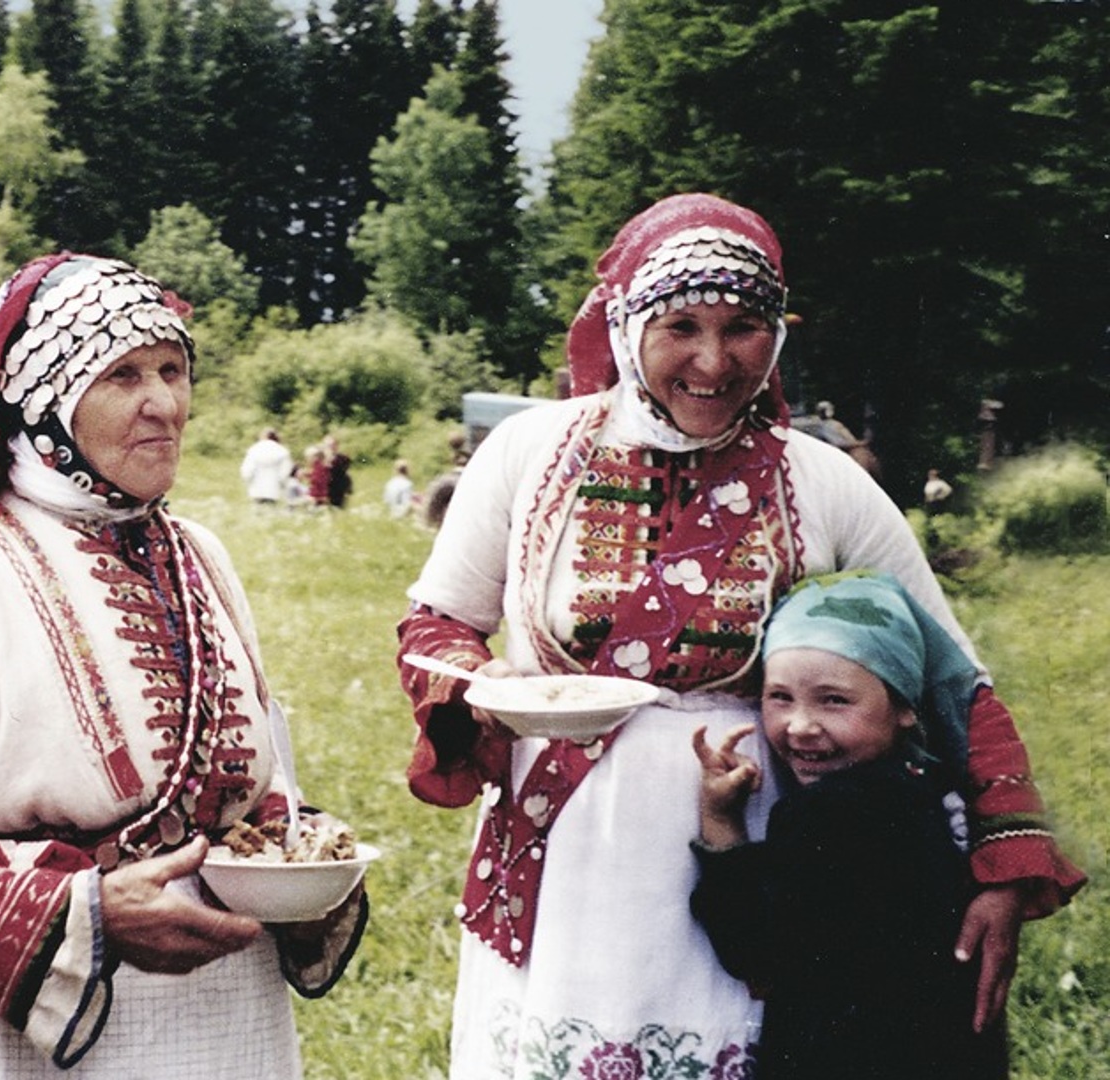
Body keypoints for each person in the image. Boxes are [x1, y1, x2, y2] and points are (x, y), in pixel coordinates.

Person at [394, 193, 1083, 1078]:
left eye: (745, 326)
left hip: (758, 855)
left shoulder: (823, 482)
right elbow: (436, 624)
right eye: (681, 325)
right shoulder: (528, 453)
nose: (712, 361)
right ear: (628, 325)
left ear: (778, 336)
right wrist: (482, 692)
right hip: (565, 851)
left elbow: (954, 683)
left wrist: (1000, 864)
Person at [0, 253, 366, 1077]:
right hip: (45, 1026)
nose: (165, 404)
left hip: (231, 1016)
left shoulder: (201, 555)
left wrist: (301, 866)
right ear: (46, 400)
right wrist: (76, 915)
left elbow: (272, 782)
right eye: (122, 375)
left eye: (173, 369)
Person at [691, 571, 1017, 1080]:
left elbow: (756, 956)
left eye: (833, 700)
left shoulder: (826, 816)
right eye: (780, 697)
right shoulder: (933, 784)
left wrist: (720, 820)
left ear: (905, 706)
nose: (800, 725)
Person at [239, 426, 295, 508]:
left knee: (258, 510)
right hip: (273, 487)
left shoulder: (254, 449)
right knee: (270, 510)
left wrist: (247, 479)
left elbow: (247, 469)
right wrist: (282, 483)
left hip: (256, 487)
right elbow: (286, 470)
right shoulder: (282, 450)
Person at [322, 435, 353, 509]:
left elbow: (345, 472)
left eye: (333, 445)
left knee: (339, 510)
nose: (331, 447)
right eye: (328, 445)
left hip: (339, 489)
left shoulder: (343, 458)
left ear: (337, 446)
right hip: (324, 490)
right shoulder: (319, 459)